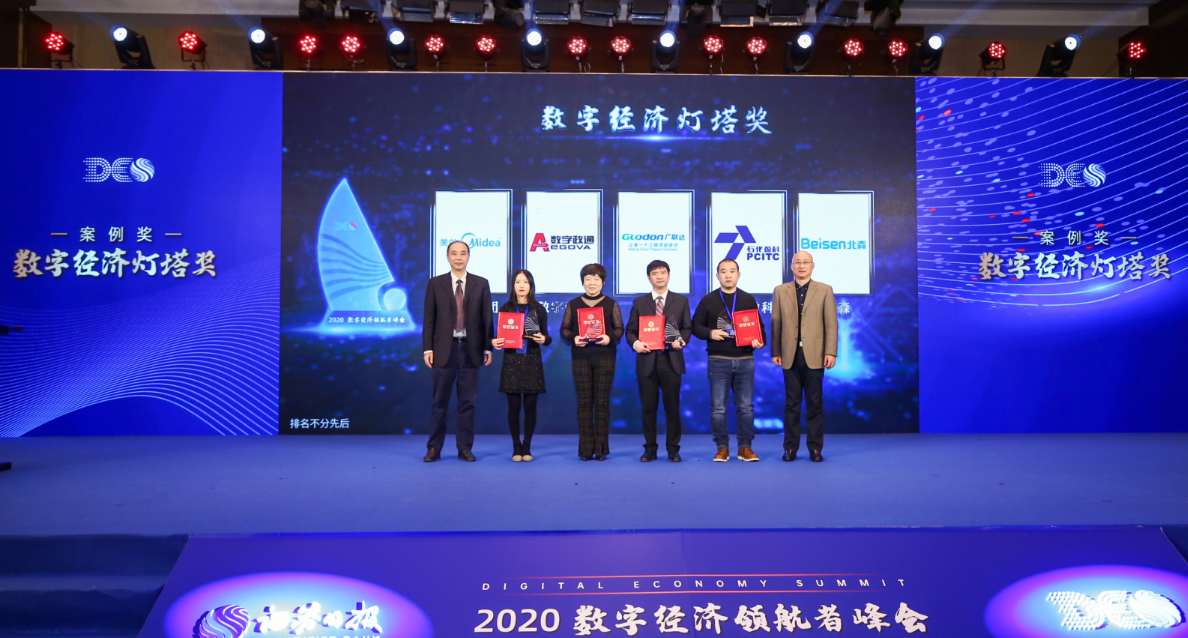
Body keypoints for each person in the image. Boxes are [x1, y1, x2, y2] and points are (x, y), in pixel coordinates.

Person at [421, 240, 492, 463]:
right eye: (454, 253)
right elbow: (429, 318)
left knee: (467, 402)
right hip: (443, 349)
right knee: (439, 402)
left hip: (471, 349)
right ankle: (434, 448)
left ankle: (465, 448)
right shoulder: (435, 283)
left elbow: (487, 319)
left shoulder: (481, 283)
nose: (458, 257)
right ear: (447, 256)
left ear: (469, 256)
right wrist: (427, 348)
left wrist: (487, 347)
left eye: (463, 253)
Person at [692, 258, 766, 462]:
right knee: (718, 408)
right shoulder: (708, 300)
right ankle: (722, 447)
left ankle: (745, 447)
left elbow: (760, 330)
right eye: (723, 271)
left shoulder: (748, 299)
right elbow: (695, 326)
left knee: (746, 407)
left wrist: (760, 342)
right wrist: (710, 333)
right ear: (717, 276)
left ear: (738, 275)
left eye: (732, 271)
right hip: (718, 360)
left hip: (745, 360)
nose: (728, 275)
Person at [771, 250, 837, 463]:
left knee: (814, 403)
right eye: (797, 262)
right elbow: (776, 323)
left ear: (812, 266)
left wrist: (830, 351)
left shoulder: (825, 290)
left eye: (805, 262)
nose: (801, 266)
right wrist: (776, 351)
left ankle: (815, 448)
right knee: (791, 404)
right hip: (789, 354)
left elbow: (831, 324)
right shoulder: (780, 291)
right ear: (792, 266)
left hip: (815, 354)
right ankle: (790, 448)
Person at [625, 260, 692, 462]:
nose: (659, 276)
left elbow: (687, 328)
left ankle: (673, 449)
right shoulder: (640, 302)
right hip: (647, 360)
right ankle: (650, 449)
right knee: (648, 409)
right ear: (649, 278)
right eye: (655, 273)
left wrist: (682, 340)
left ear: (669, 275)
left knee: (672, 408)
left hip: (671, 360)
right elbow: (630, 330)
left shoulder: (681, 301)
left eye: (663, 272)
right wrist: (636, 343)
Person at [559, 263, 623, 461]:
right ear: (583, 282)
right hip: (581, 358)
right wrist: (574, 338)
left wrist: (609, 337)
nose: (592, 283)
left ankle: (601, 449)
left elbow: (619, 329)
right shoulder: (573, 304)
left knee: (602, 403)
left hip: (605, 357)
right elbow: (564, 329)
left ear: (603, 282)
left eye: (596, 279)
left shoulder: (611, 303)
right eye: (588, 279)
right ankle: (586, 450)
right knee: (584, 403)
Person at [492, 270, 551, 462]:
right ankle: (516, 447)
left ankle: (527, 446)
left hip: (532, 360)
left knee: (530, 406)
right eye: (518, 282)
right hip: (512, 361)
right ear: (513, 285)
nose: (521, 285)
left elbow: (547, 337)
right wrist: (496, 341)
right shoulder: (506, 308)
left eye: (525, 282)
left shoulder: (538, 309)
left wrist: (544, 339)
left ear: (531, 285)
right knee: (514, 406)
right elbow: (499, 335)